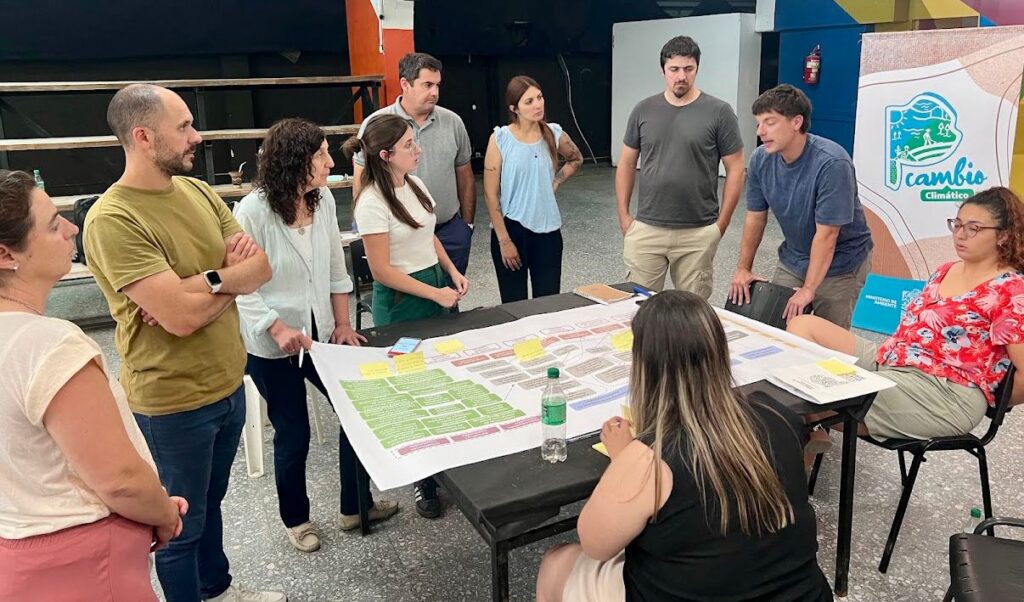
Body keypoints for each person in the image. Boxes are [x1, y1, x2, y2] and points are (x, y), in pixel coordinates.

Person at [84, 84, 282, 602]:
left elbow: (260, 268)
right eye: (184, 127)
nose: (197, 136)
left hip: (228, 385)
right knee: (179, 527)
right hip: (173, 403)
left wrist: (197, 286)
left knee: (211, 505)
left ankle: (216, 589)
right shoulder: (114, 219)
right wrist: (224, 281)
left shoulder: (197, 191)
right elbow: (181, 320)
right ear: (143, 137)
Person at [536, 290, 833, 602]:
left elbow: (595, 543)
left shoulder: (651, 458)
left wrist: (624, 458)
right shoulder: (776, 414)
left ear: (644, 366)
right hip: (802, 595)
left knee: (557, 563)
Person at [0, 170, 186, 601]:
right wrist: (163, 512)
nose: (71, 228)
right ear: (7, 254)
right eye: (52, 225)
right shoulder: (47, 344)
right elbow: (120, 480)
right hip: (82, 556)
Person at [233, 118, 399, 552]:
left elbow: (336, 270)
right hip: (272, 345)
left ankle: (354, 506)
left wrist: (342, 324)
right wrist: (276, 327)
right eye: (321, 155)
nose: (331, 162)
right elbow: (241, 287)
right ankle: (296, 519)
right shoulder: (252, 212)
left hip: (321, 334)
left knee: (357, 411)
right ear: (295, 162)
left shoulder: (322, 201)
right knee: (294, 433)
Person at [790, 187, 1024, 447]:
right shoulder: (946, 270)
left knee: (822, 386)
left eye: (973, 228)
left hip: (943, 391)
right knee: (801, 328)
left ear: (1003, 235)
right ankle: (814, 427)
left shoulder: (1011, 290)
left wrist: (993, 405)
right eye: (957, 225)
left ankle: (809, 434)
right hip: (892, 359)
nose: (960, 235)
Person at [344, 113, 469, 519]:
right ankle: (423, 480)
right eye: (410, 145)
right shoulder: (371, 202)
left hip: (434, 284)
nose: (419, 150)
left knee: (442, 376)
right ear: (385, 155)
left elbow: (427, 233)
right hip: (402, 299)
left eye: (415, 142)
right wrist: (434, 292)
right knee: (413, 388)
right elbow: (381, 271)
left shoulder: (414, 183)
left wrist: (451, 271)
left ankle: (449, 459)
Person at [728, 85, 874, 328]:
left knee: (826, 338)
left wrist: (809, 289)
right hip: (794, 257)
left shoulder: (832, 163)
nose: (760, 131)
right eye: (758, 123)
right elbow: (755, 217)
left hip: (841, 263)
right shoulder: (760, 159)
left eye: (769, 122)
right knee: (776, 326)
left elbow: (828, 235)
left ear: (797, 122)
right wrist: (743, 268)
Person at [616, 35, 745, 298]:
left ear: (697, 69)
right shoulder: (643, 110)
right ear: (663, 70)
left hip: (697, 232)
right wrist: (624, 217)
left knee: (691, 309)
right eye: (674, 69)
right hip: (647, 228)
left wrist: (720, 225)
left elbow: (736, 168)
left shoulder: (719, 112)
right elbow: (627, 164)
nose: (681, 76)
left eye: (688, 69)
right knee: (639, 306)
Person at [353, 52, 476, 276]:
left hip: (448, 232)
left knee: (452, 293)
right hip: (400, 238)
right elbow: (362, 181)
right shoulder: (377, 123)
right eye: (427, 85)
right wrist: (370, 230)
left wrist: (466, 226)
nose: (435, 92)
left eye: (437, 85)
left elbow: (465, 176)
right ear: (405, 84)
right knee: (408, 295)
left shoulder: (453, 122)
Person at [483, 75, 583, 303]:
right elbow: (490, 194)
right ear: (514, 108)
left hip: (548, 232)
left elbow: (576, 158)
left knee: (547, 305)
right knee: (514, 306)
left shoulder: (554, 134)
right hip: (511, 229)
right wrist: (504, 241)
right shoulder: (500, 139)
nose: (538, 105)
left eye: (539, 97)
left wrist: (556, 181)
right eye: (529, 101)